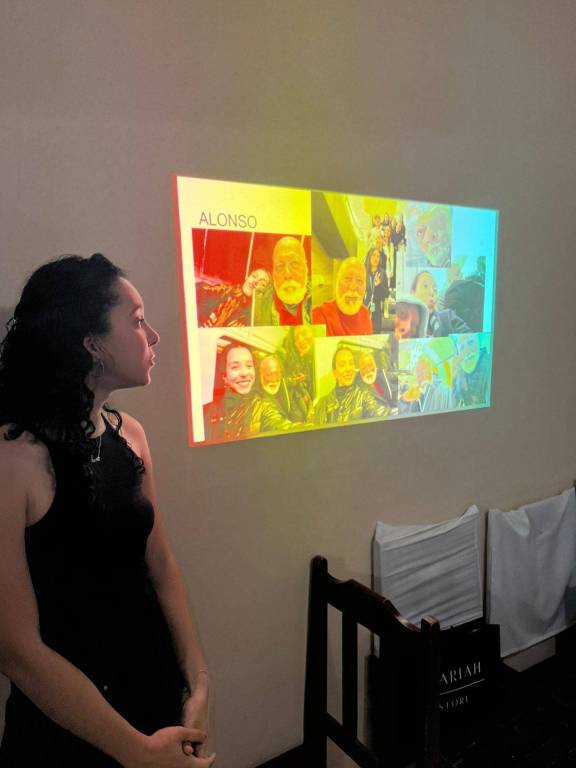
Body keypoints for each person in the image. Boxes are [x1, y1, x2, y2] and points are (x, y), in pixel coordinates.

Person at [0, 254, 215, 767]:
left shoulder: (130, 434)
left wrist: (199, 680)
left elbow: (160, 565)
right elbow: (16, 649)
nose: (154, 337)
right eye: (137, 321)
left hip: (151, 691)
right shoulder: (13, 460)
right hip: (67, 725)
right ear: (91, 344)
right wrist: (136, 753)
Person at [203, 342, 296, 441]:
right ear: (224, 376)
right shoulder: (206, 411)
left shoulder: (262, 406)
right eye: (235, 367)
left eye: (249, 366)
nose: (244, 373)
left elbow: (281, 424)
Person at [314, 347, 388, 425]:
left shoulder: (363, 396)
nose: (348, 369)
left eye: (351, 363)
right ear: (335, 373)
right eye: (342, 365)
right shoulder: (322, 403)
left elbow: (382, 414)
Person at [253, 236, 311, 325]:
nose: (287, 274)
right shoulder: (260, 308)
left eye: (295, 263)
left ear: (306, 268)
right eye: (280, 266)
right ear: (273, 273)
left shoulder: (319, 299)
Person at [312, 258, 372, 336]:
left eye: (359, 281)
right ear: (337, 282)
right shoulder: (320, 314)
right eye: (348, 279)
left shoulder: (365, 314)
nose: (352, 287)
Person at [196, 268, 270, 327]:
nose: (255, 282)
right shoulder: (224, 292)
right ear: (247, 278)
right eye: (254, 276)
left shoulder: (257, 319)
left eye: (262, 284)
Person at [411, 271, 470, 337]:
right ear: (413, 293)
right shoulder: (406, 324)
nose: (432, 292)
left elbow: (471, 339)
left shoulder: (448, 317)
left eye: (435, 289)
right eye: (425, 286)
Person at [281, 326, 315, 423]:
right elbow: (285, 383)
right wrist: (296, 381)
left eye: (304, 333)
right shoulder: (289, 360)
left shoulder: (314, 359)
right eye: (296, 338)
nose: (300, 340)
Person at [452, 334, 490, 407]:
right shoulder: (459, 377)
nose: (466, 350)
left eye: (471, 342)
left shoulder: (489, 369)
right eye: (462, 347)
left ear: (479, 344)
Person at [363, 247, 389, 333]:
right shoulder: (364, 272)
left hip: (376, 308)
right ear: (369, 256)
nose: (376, 258)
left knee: (375, 332)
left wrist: (379, 285)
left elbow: (386, 294)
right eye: (374, 255)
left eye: (378, 256)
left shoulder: (382, 273)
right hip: (364, 307)